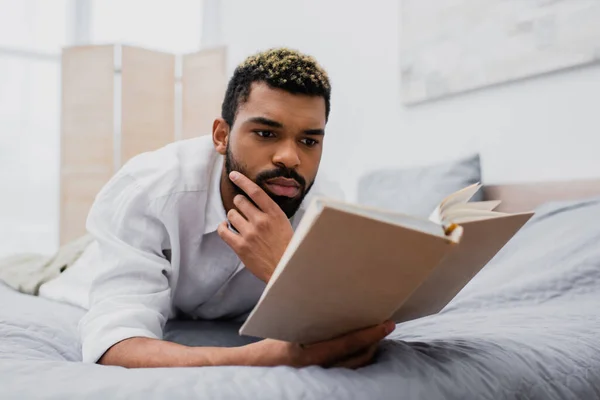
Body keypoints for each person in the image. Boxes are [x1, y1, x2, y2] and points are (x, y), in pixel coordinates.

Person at [39, 48, 396, 369]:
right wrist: (265, 357)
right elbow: (114, 345)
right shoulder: (149, 190)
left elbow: (348, 323)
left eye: (308, 141)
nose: (290, 157)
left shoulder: (326, 213)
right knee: (34, 267)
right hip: (76, 264)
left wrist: (284, 265)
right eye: (266, 133)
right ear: (221, 136)